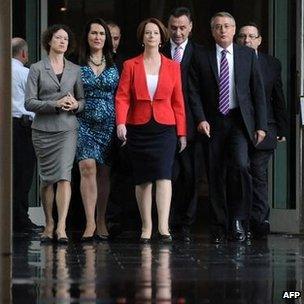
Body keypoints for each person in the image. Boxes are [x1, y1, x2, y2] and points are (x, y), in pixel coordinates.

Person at [188, 12, 267, 243]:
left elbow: (257, 91)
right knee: (215, 174)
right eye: (218, 27)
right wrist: (200, 118)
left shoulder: (246, 55)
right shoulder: (201, 56)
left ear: (234, 30)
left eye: (227, 26)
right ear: (212, 31)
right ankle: (219, 225)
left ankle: (238, 221)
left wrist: (261, 125)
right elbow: (193, 91)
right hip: (212, 123)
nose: (223, 30)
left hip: (238, 122)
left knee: (241, 167)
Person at [115, 17, 187, 243]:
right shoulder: (130, 65)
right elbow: (122, 97)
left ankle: (164, 228)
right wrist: (121, 123)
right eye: (148, 33)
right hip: (138, 126)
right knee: (143, 178)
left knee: (164, 175)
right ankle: (146, 227)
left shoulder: (173, 66)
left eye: (155, 33)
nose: (152, 36)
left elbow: (178, 101)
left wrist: (182, 133)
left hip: (165, 127)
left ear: (161, 37)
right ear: (142, 37)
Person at [25, 24, 85, 243]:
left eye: (66, 39)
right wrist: (55, 103)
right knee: (47, 179)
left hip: (67, 129)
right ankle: (49, 222)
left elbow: (83, 100)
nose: (63, 42)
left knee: (64, 176)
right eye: (59, 38)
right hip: (43, 130)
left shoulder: (75, 70)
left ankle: (61, 226)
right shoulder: (37, 68)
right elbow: (29, 102)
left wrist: (75, 105)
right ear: (49, 41)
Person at [237, 23, 288, 238]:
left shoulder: (272, 64)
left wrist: (283, 128)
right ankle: (241, 219)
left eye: (251, 36)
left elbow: (278, 97)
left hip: (267, 127)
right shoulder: (233, 61)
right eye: (242, 36)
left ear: (259, 40)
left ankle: (259, 220)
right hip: (240, 128)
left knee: (259, 172)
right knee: (242, 170)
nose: (247, 40)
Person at [76, 18, 119, 242]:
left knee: (103, 172)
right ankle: (90, 221)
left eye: (102, 33)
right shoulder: (76, 62)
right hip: (83, 121)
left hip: (109, 123)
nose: (98, 37)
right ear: (87, 36)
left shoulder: (114, 62)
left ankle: (101, 218)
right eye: (94, 33)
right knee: (87, 167)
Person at [162, 6, 200, 242]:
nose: (177, 33)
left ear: (191, 27)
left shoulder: (201, 54)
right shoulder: (159, 51)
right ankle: (167, 220)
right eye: (173, 28)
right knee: (168, 174)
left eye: (182, 28)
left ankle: (186, 222)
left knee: (190, 174)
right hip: (164, 122)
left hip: (193, 123)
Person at [12, 38, 43, 233]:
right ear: (23, 54)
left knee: (7, 174)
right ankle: (20, 218)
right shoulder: (25, 73)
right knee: (23, 174)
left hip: (6, 127)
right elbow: (36, 101)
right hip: (22, 127)